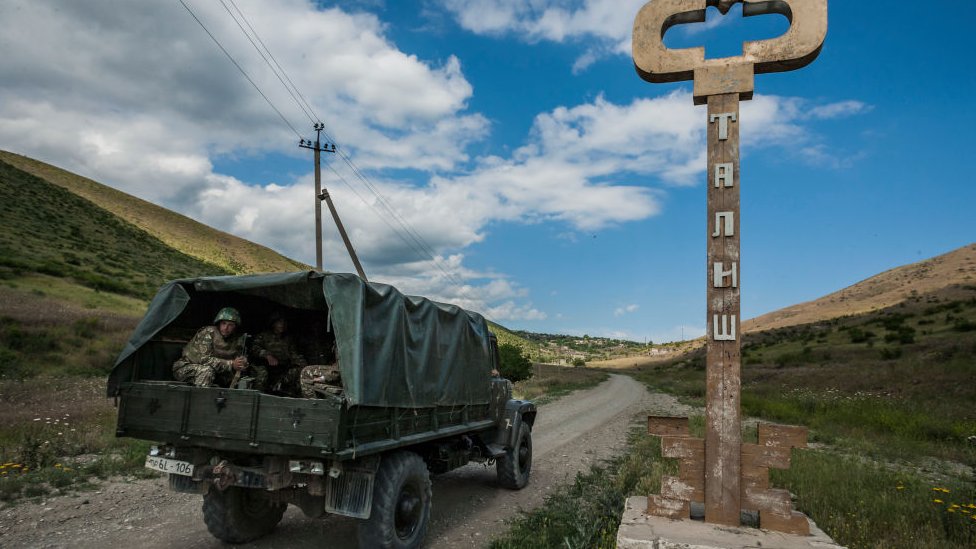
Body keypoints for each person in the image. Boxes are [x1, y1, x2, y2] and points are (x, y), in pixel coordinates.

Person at [172, 307, 248, 387]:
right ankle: (202, 398)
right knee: (206, 371)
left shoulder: (235, 340)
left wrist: (242, 364)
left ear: (235, 327)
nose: (226, 328)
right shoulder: (208, 332)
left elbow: (238, 360)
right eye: (224, 323)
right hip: (186, 368)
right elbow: (204, 359)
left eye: (230, 325)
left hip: (215, 373)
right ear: (219, 323)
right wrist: (231, 364)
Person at [251, 311, 307, 395]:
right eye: (279, 322)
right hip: (265, 369)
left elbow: (294, 355)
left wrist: (303, 364)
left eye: (284, 322)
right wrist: (267, 355)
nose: (282, 324)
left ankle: (279, 387)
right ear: (273, 323)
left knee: (301, 371)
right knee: (262, 373)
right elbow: (254, 348)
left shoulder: (288, 339)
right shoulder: (264, 336)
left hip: (282, 371)